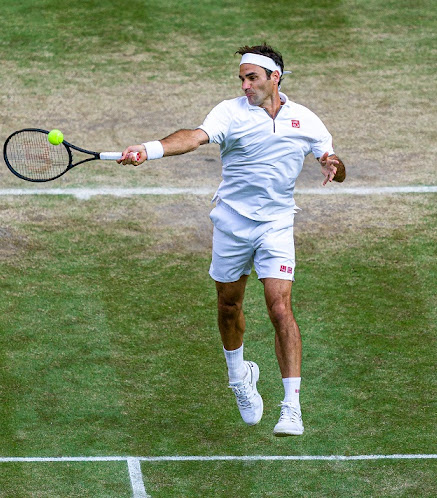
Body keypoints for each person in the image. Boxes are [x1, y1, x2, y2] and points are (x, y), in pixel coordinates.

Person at [118, 43, 345, 436]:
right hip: (231, 223)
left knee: (280, 308)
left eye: (252, 77)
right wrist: (150, 150)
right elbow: (193, 138)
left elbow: (336, 167)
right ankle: (240, 376)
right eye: (241, 78)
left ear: (275, 78)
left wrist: (333, 164)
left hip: (276, 225)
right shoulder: (229, 112)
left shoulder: (306, 121)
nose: (245, 85)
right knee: (228, 306)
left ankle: (291, 407)